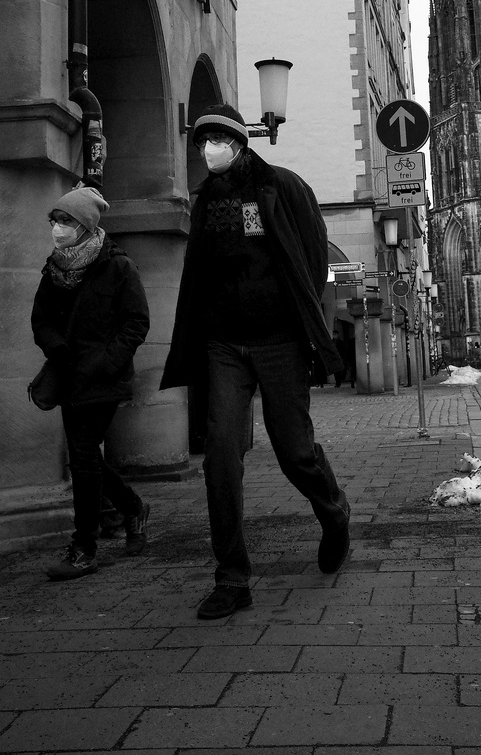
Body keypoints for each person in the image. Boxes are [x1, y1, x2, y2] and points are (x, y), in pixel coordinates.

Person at [160, 104, 348, 621]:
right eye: (202, 143)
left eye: (217, 139)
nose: (208, 150)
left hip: (279, 340)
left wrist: (311, 329)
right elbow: (198, 273)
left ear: (241, 142)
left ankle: (334, 513)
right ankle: (232, 577)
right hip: (224, 345)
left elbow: (312, 260)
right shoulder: (205, 201)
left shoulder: (284, 187)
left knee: (294, 451)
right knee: (220, 455)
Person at [31, 185, 151, 580]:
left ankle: (84, 547)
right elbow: (41, 319)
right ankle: (132, 507)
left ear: (84, 225)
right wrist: (57, 347)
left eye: (65, 220)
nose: (57, 227)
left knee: (82, 454)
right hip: (69, 375)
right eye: (55, 220)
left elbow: (136, 322)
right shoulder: (55, 268)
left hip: (102, 378)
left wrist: (106, 361)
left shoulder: (118, 266)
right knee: (87, 457)